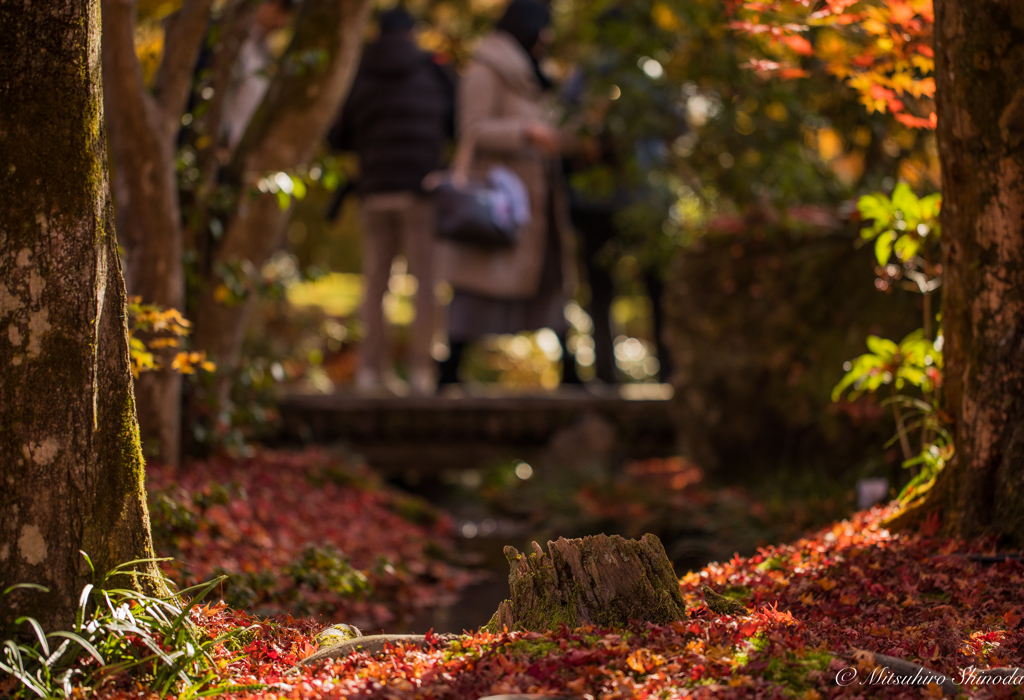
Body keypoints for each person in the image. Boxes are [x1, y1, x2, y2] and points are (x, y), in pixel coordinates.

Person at [436, 0, 579, 388]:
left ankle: (571, 369)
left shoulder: (536, 75)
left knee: (551, 281)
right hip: (499, 199)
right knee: (478, 284)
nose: (547, 38)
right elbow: (472, 129)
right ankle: (449, 370)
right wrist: (526, 132)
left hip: (538, 200)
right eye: (544, 28)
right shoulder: (486, 68)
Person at [328, 8, 456, 395]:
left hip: (374, 189)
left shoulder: (360, 72)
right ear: (412, 33)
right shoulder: (433, 71)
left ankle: (371, 371)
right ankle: (421, 372)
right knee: (426, 283)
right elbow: (456, 122)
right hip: (420, 188)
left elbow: (338, 136)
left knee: (376, 283)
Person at [220, 0, 295, 150]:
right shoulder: (231, 40)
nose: (283, 22)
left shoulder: (265, 51)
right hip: (219, 145)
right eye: (279, 11)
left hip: (239, 149)